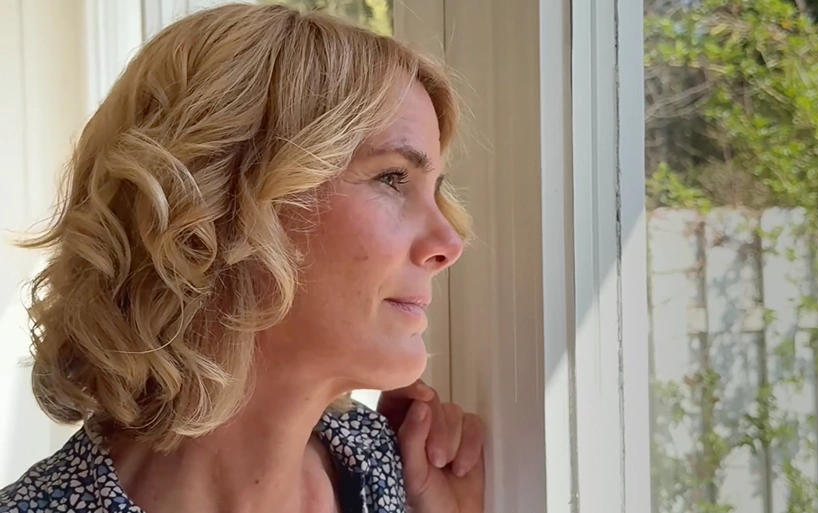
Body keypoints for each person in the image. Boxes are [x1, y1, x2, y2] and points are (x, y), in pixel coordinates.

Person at [0, 3, 485, 513]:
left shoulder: (391, 473)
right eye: (392, 178)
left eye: (437, 190)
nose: (449, 243)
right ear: (220, 206)